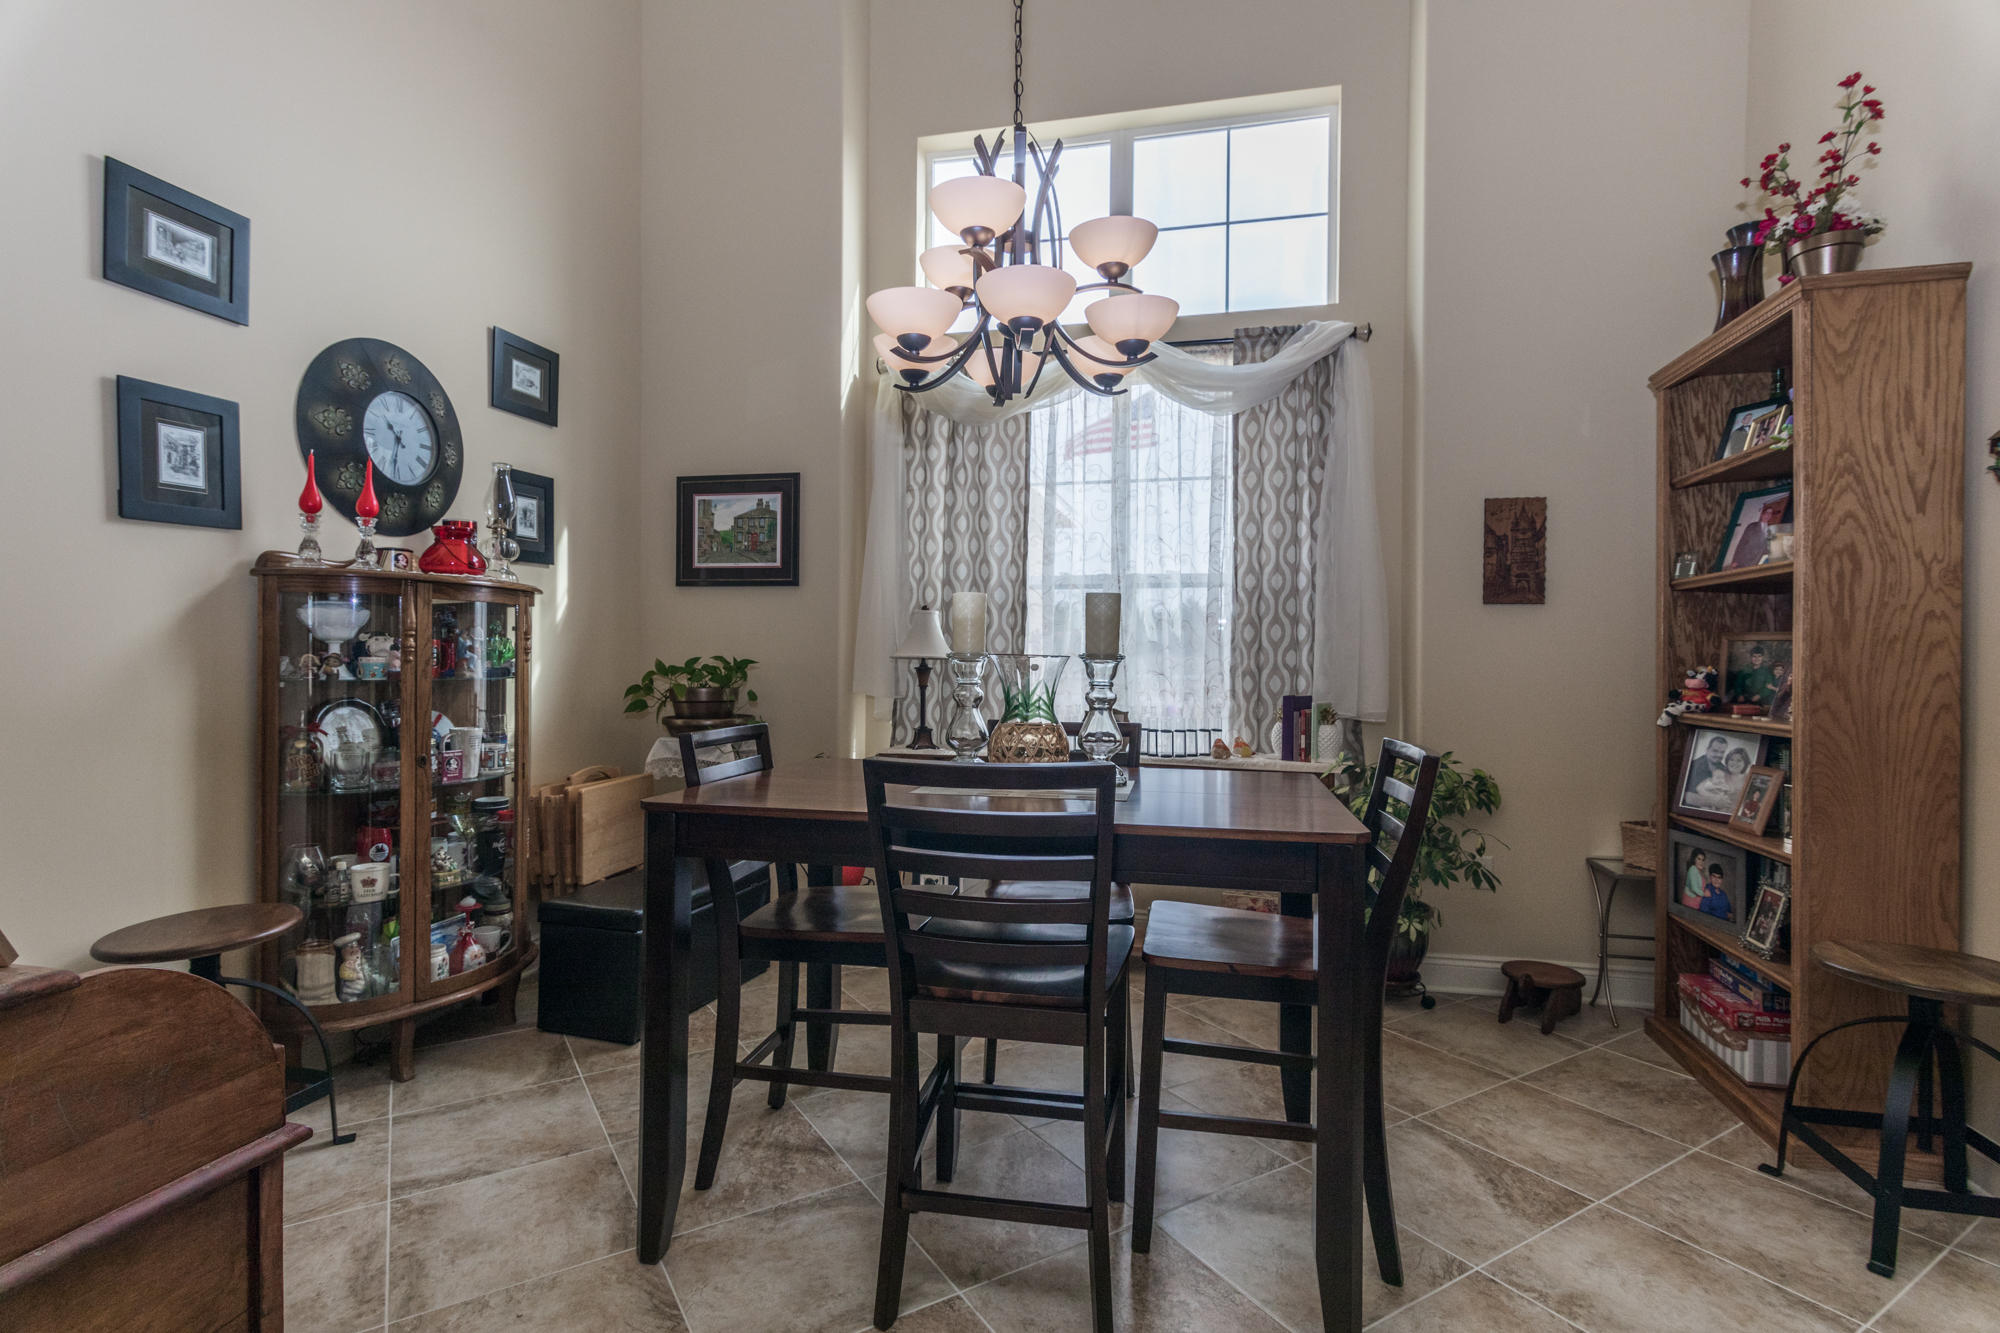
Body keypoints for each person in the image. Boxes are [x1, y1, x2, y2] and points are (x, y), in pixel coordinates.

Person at [1683, 735, 1729, 801]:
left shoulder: (1724, 769)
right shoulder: (1693, 765)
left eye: (1722, 752)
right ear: (1707, 750)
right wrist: (1713, 801)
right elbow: (1686, 796)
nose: (1719, 755)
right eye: (1715, 751)